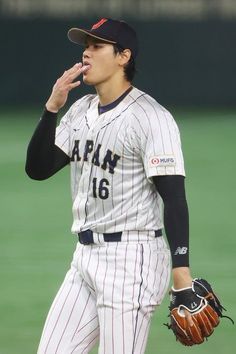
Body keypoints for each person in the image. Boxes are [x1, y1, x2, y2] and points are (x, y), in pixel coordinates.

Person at [25, 18, 193, 354]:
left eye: (96, 46)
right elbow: (38, 169)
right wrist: (51, 108)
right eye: (85, 46)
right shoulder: (80, 111)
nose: (86, 54)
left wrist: (182, 276)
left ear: (123, 56)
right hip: (84, 259)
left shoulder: (151, 118)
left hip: (132, 260)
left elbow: (174, 200)